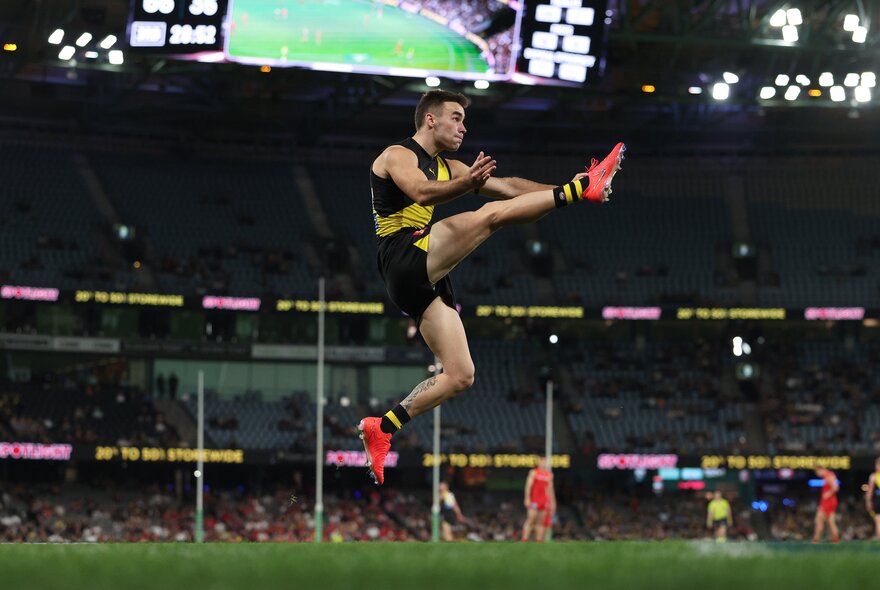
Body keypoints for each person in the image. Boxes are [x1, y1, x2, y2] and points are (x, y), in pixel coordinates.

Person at [356, 89, 625, 485]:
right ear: (430, 119)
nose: (464, 127)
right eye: (456, 117)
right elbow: (420, 192)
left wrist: (580, 183)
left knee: (461, 375)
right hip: (402, 255)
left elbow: (511, 189)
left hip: (421, 275)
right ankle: (575, 192)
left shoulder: (451, 167)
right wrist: (470, 184)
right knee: (488, 218)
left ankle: (383, 427)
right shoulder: (398, 154)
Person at [521, 457, 555, 542]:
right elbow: (528, 486)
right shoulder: (534, 472)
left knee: (541, 522)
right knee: (530, 519)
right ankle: (524, 539)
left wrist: (551, 502)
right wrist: (527, 498)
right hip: (535, 500)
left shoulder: (549, 475)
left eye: (545, 461)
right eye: (542, 461)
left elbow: (550, 489)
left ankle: (538, 541)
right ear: (539, 462)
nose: (544, 463)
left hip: (544, 500)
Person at [812, 467, 839, 544]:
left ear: (820, 470)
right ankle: (836, 541)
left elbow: (836, 488)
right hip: (831, 501)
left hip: (828, 501)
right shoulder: (830, 474)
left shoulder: (828, 476)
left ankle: (815, 540)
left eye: (817, 473)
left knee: (818, 520)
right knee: (831, 522)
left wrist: (828, 494)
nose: (818, 475)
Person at [864, 457, 880, 541]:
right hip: (877, 501)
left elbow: (870, 492)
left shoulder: (873, 477)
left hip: (878, 501)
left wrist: (868, 501)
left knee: (878, 521)